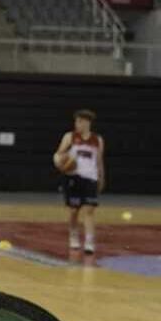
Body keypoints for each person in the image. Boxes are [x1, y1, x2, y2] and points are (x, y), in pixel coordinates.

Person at [54, 109, 105, 255]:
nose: (77, 124)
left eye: (80, 121)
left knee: (89, 210)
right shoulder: (69, 137)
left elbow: (99, 161)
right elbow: (59, 154)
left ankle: (89, 242)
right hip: (73, 177)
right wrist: (64, 161)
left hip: (91, 178)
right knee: (74, 211)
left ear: (87, 123)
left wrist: (101, 177)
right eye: (76, 121)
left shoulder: (98, 140)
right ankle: (73, 235)